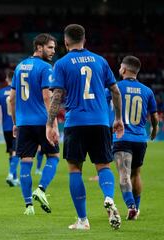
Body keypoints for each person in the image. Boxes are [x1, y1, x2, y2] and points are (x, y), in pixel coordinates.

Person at [46, 24, 124, 230]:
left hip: (76, 122)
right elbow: (115, 91)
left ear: (65, 41)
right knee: (104, 166)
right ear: (84, 40)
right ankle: (108, 197)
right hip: (100, 121)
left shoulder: (61, 64)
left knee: (74, 170)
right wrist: (117, 118)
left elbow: (56, 96)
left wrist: (50, 124)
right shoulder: (100, 61)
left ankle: (83, 220)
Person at [10, 33, 60, 215]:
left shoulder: (19, 67)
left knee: (25, 162)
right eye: (50, 47)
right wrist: (52, 124)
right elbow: (48, 96)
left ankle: (28, 206)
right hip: (42, 121)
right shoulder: (46, 68)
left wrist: (15, 123)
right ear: (39, 47)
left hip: (23, 123)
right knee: (53, 157)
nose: (53, 51)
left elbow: (12, 99)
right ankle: (41, 189)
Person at [113, 56, 159, 220]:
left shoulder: (115, 87)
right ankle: (136, 208)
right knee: (136, 173)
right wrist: (154, 130)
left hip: (121, 137)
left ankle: (131, 206)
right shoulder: (147, 91)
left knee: (123, 174)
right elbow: (154, 117)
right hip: (140, 139)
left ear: (124, 70)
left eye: (120, 67)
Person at [0, 69, 20, 187]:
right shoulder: (19, 92)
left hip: (5, 127)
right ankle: (11, 174)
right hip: (17, 125)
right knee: (16, 151)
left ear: (7, 79)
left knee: (11, 152)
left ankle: (14, 177)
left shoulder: (0, 92)